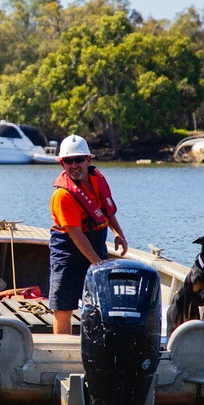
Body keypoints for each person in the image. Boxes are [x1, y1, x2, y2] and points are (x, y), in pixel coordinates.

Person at [48, 135, 127, 335]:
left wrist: (118, 234)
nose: (74, 165)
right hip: (68, 252)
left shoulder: (97, 179)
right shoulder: (63, 195)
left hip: (96, 244)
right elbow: (76, 234)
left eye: (79, 160)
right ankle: (62, 355)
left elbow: (106, 211)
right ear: (61, 163)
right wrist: (97, 264)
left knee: (101, 303)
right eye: (68, 161)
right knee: (63, 308)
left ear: (88, 160)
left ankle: (98, 348)